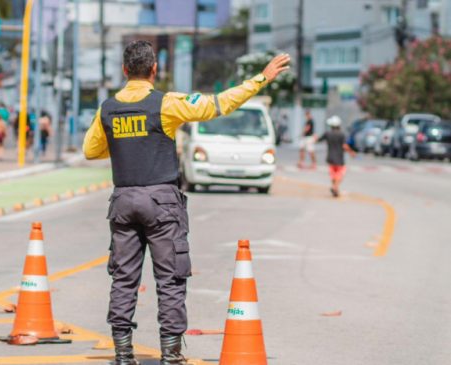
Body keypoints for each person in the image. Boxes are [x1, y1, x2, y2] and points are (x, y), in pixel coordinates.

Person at [82, 40, 289, 364]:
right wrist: (261, 79)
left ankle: (123, 353)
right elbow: (217, 105)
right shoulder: (165, 103)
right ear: (154, 70)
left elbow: (91, 150)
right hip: (162, 202)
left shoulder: (107, 108)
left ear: (124, 71)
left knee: (123, 278)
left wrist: (126, 141)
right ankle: (171, 354)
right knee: (170, 279)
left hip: (123, 201)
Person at [317, 115, 356, 198]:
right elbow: (345, 146)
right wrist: (351, 152)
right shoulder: (341, 134)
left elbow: (318, 139)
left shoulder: (328, 133)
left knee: (333, 174)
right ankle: (335, 187)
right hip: (339, 158)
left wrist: (314, 138)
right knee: (340, 174)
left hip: (330, 158)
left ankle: (335, 188)